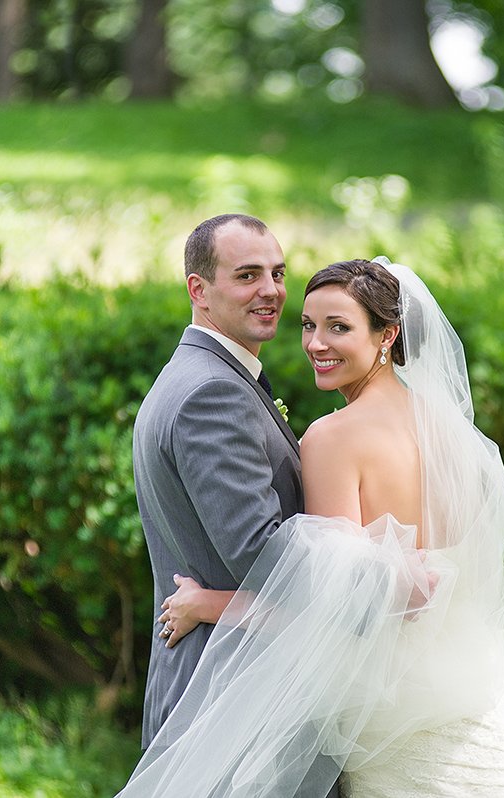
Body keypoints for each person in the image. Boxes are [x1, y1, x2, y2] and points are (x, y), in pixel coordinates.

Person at [118, 258, 504, 797]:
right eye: (309, 325)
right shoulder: (455, 435)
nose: (316, 343)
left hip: (392, 717)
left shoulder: (333, 439)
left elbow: (332, 611)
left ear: (388, 334)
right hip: (471, 697)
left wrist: (208, 605)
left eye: (339, 327)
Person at [129, 214, 340, 798]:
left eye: (277, 273)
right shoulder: (211, 393)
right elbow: (261, 556)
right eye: (247, 275)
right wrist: (378, 564)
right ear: (199, 290)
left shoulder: (202, 376)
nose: (271, 291)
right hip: (231, 699)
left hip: (225, 694)